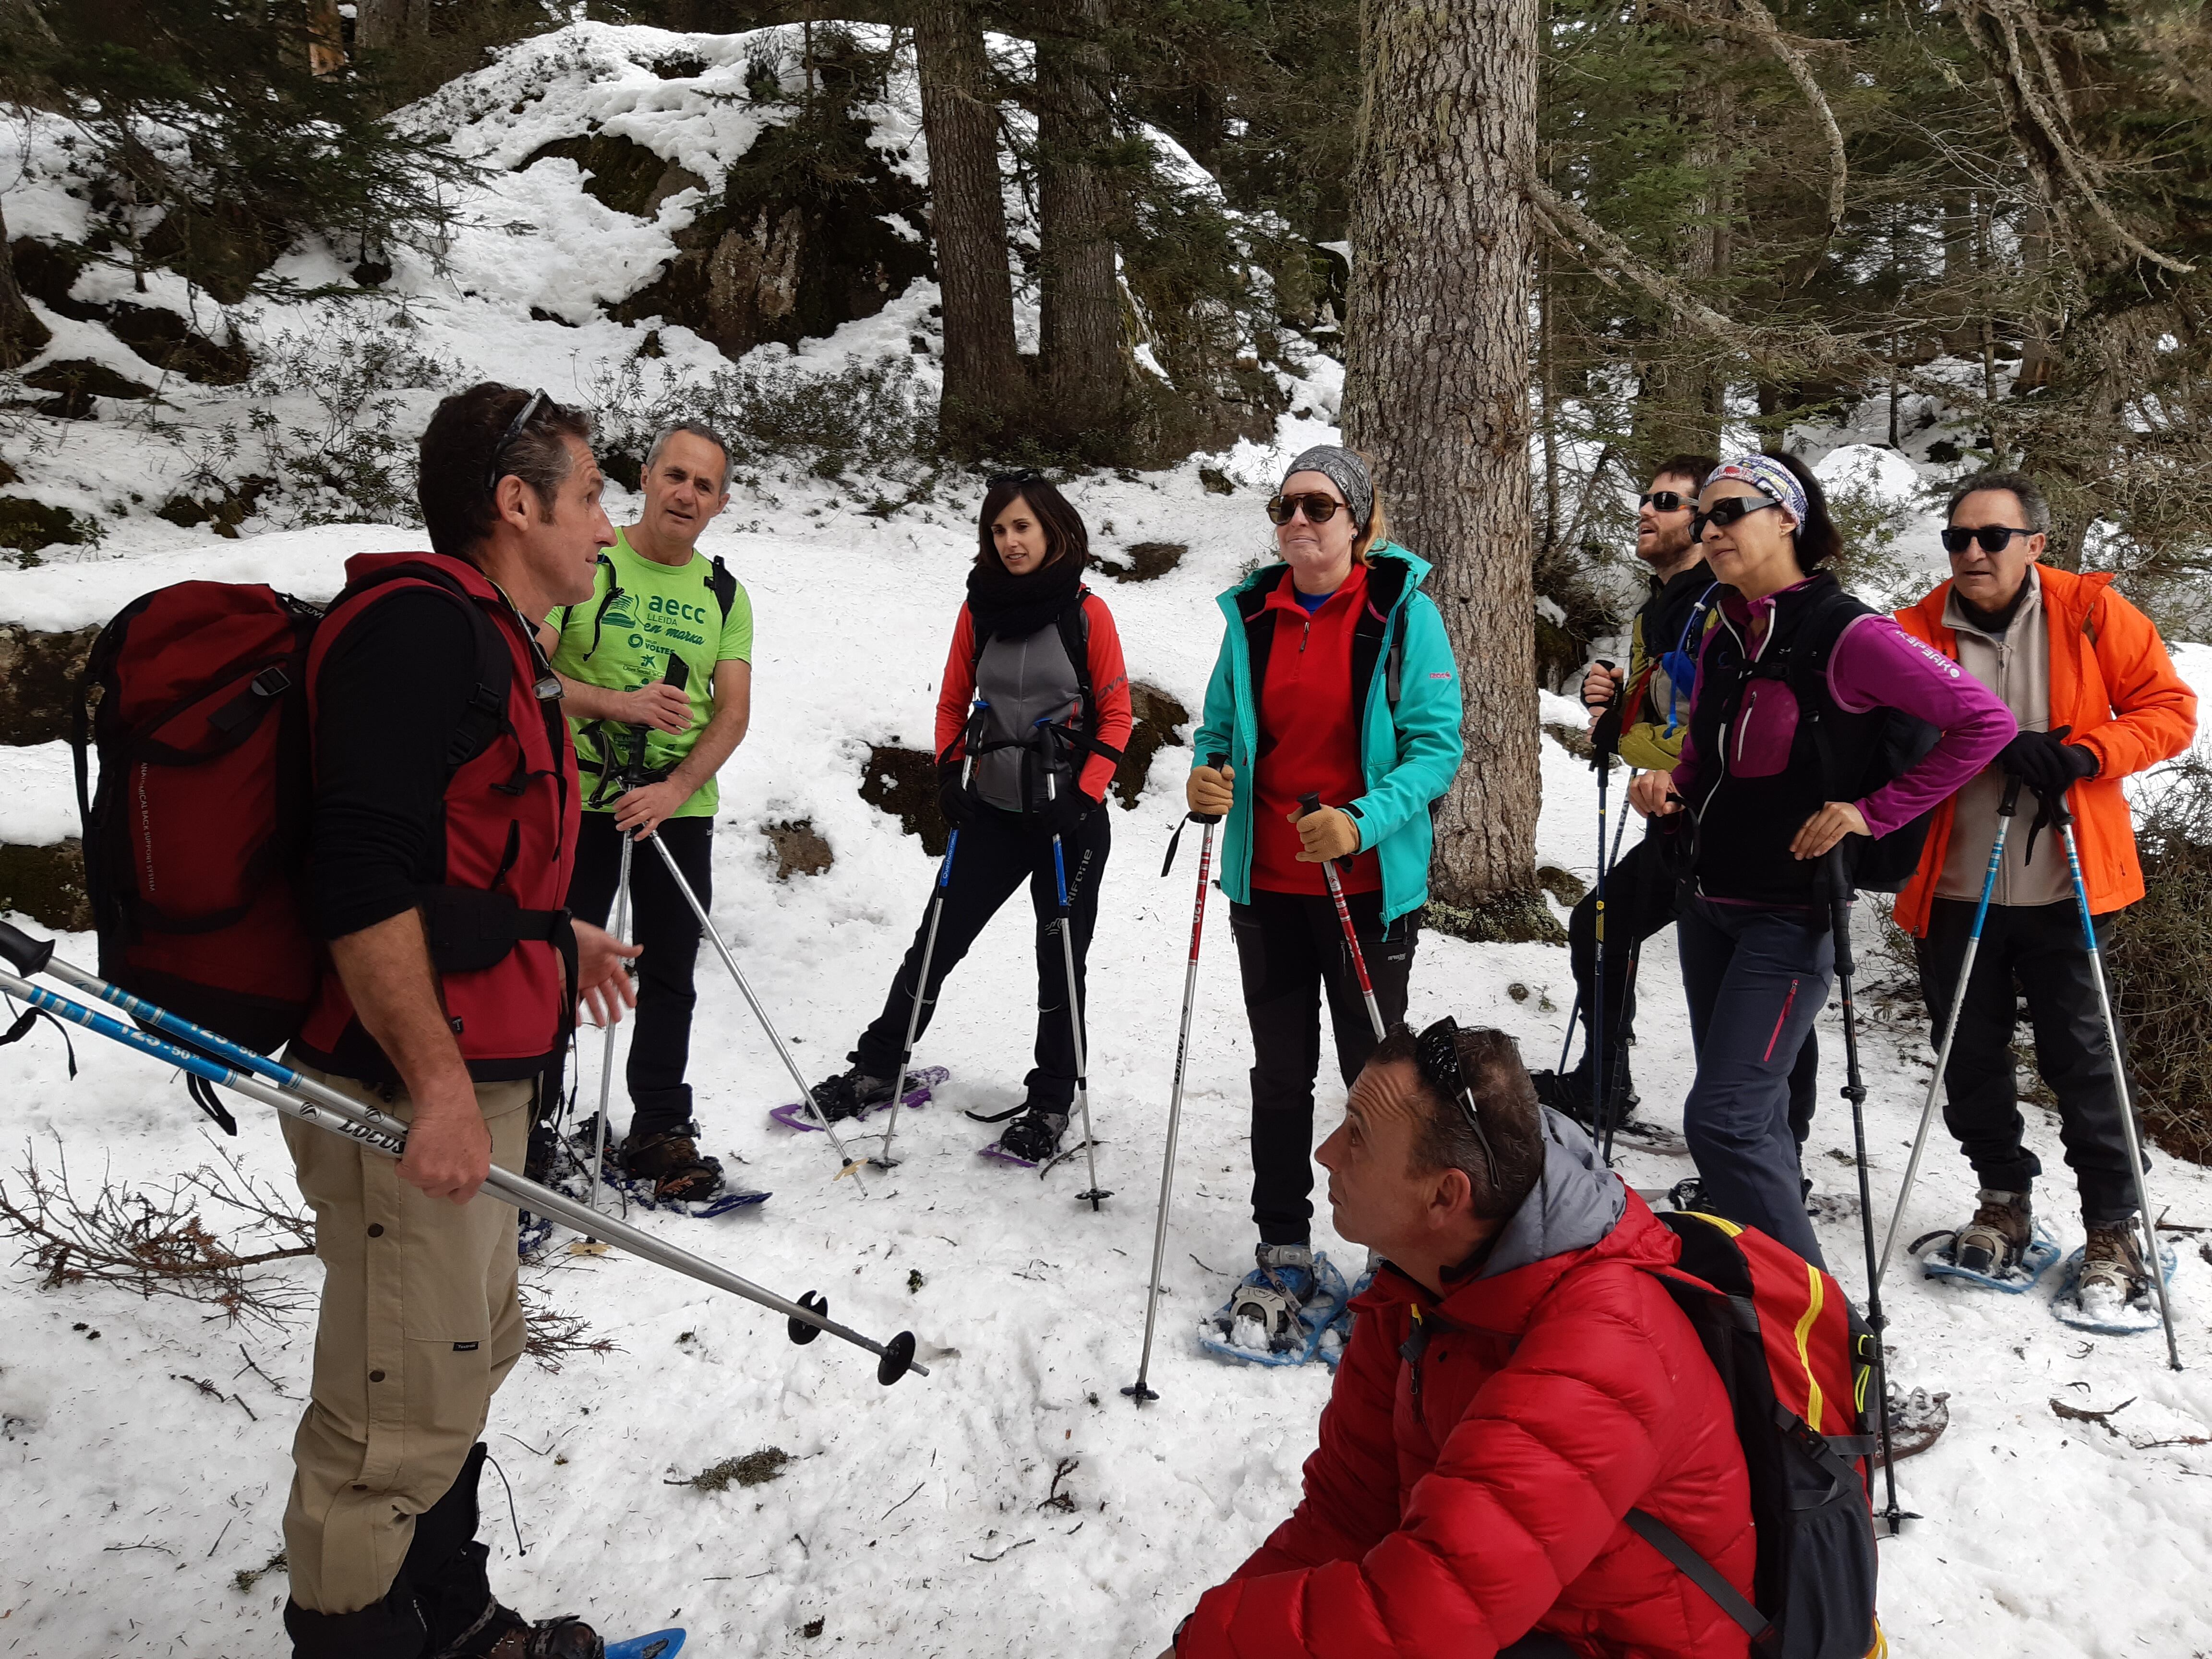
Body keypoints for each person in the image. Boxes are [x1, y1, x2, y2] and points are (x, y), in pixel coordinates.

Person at [281, 384, 638, 1659]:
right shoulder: (424, 633)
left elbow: (454, 875)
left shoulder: (500, 638)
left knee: (462, 1364)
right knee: (389, 1424)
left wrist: (554, 938)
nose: (610, 523)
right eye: (592, 496)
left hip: (475, 1076)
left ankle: (455, 1622)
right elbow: (360, 880)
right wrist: (433, 1088)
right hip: (401, 1089)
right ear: (515, 501)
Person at [1160, 1020, 1755, 1659]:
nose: (1327, 1153)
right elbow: (1345, 1516)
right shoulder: (1416, 1285)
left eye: (1359, 1138)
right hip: (1523, 1619)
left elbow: (1418, 1620)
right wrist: (1206, 1638)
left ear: (1446, 1195)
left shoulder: (1600, 1354)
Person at [1634, 452, 2013, 1264]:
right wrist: (1671, 783)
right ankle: (1758, 1298)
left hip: (1791, 913)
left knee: (1725, 1117)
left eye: (1729, 511)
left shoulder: (1850, 632)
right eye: (1704, 518)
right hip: (1710, 902)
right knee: (1757, 1117)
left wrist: (1870, 814)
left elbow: (1984, 724)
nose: (1710, 529)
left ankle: (1820, 1330)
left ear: (1787, 519)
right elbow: (1709, 752)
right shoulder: (1729, 627)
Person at [1892, 470, 2196, 1305]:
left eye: (1993, 536)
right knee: (1970, 1058)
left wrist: (2085, 754)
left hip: (2070, 881)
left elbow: (2169, 709)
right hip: (1955, 885)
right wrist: (1980, 746)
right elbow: (1884, 734)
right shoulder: (1914, 630)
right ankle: (2003, 1203)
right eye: (1959, 538)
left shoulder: (2093, 614)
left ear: (2036, 543)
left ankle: (2112, 1227)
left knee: (2085, 1060)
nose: (1974, 553)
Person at [1187, 444, 1462, 1330]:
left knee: (1377, 1079)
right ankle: (1283, 1246)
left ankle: (1396, 1251)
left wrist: (1360, 821)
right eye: (1285, 508)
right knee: (1281, 1073)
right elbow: (1220, 727)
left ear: (1359, 522)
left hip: (1366, 886)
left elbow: (1436, 749)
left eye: (1318, 507)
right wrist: (1207, 775)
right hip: (1265, 884)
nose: (1298, 522)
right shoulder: (1253, 617)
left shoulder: (1400, 614)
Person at [806, 472, 1132, 1164]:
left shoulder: (1085, 612)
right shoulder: (979, 610)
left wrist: (1085, 795)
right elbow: (955, 702)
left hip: (1065, 820)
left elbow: (1116, 712)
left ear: (1052, 531)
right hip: (992, 808)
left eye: (1022, 528)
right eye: (998, 530)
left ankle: (1049, 1104)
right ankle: (878, 1066)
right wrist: (949, 773)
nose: (1010, 542)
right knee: (937, 942)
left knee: (1060, 960)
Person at [541, 421, 752, 1203]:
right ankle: (529, 1119)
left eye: (703, 485)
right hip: (581, 798)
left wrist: (673, 790)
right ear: (647, 476)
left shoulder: (725, 595)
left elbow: (731, 712)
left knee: (670, 974)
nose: (685, 494)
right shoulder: (587, 564)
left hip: (678, 806)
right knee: (554, 963)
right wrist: (620, 705)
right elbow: (534, 672)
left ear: (720, 503)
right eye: (675, 476)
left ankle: (660, 1127)